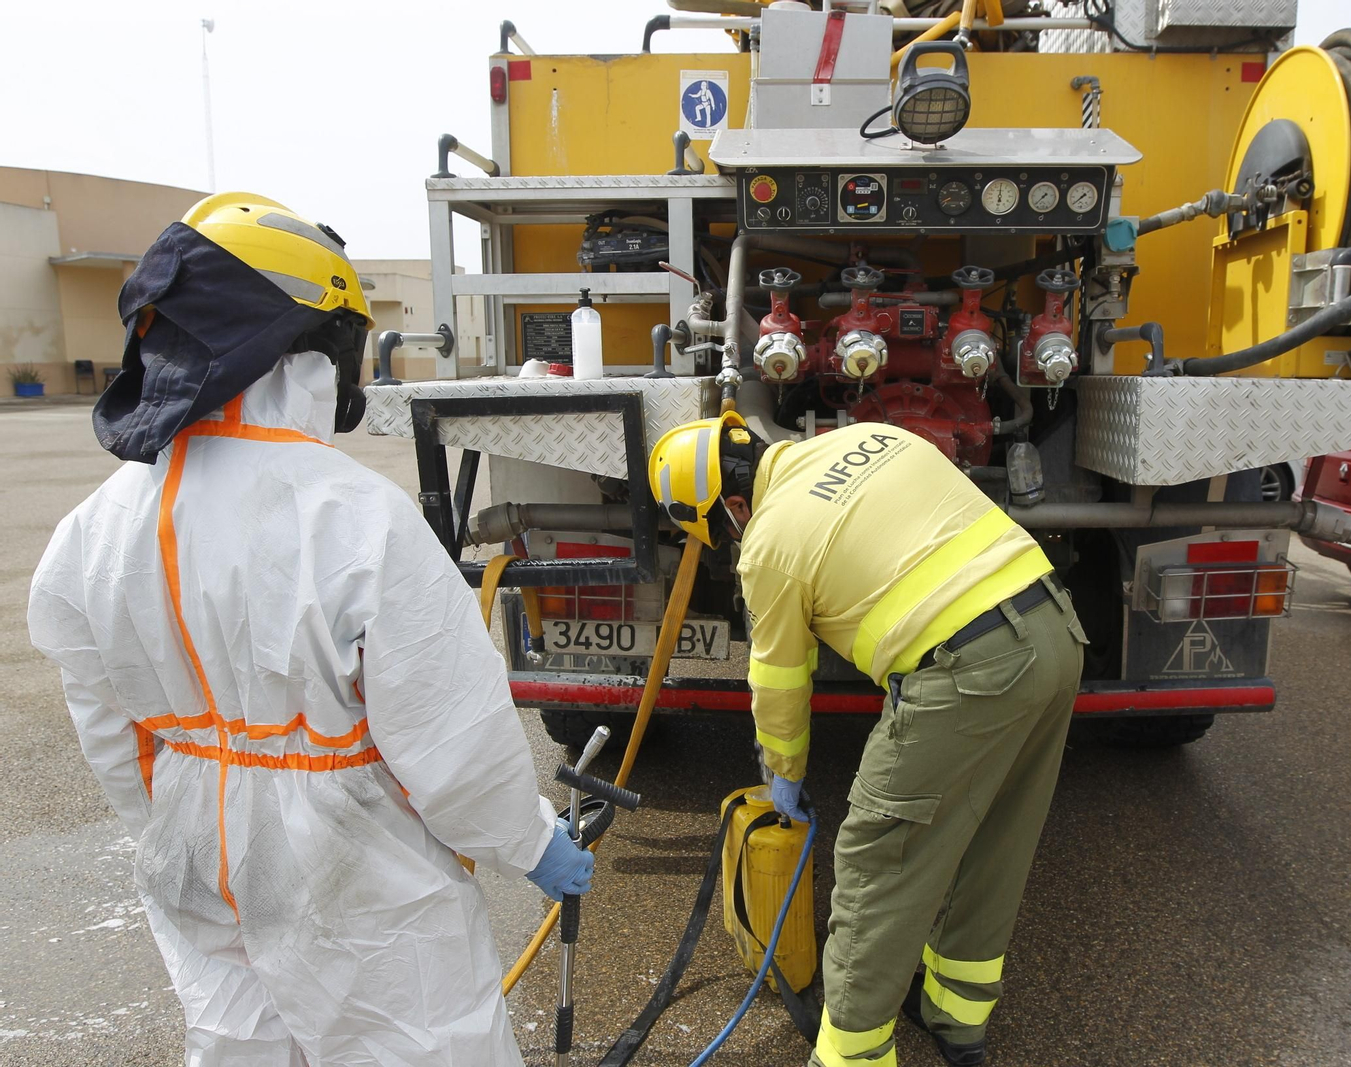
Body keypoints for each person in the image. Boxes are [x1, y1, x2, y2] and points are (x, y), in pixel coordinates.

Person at [27, 193, 592, 1067]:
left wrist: (174, 815)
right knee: (420, 1047)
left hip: (195, 843)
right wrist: (528, 839)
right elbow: (447, 732)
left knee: (235, 1045)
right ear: (302, 356)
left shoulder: (92, 528)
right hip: (355, 865)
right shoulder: (355, 518)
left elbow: (107, 723)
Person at [649, 413, 1087, 1067]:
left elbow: (778, 679)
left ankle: (850, 1054)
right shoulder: (868, 436)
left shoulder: (767, 541)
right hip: (1055, 629)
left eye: (718, 532)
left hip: (966, 668)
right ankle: (956, 1015)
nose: (729, 543)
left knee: (874, 860)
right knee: (998, 837)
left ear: (733, 505)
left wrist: (784, 774)